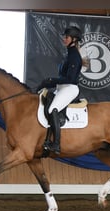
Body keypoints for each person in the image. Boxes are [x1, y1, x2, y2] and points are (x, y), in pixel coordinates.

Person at [38, 26, 83, 155]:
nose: (64, 39)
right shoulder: (69, 54)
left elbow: (69, 78)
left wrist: (52, 80)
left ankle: (56, 144)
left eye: (66, 37)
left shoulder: (74, 56)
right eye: (64, 37)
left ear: (74, 40)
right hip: (62, 88)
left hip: (70, 88)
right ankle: (46, 139)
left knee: (53, 109)